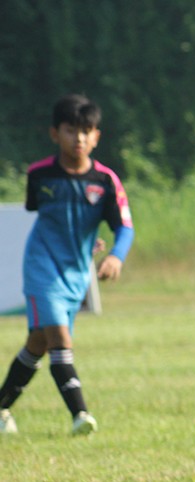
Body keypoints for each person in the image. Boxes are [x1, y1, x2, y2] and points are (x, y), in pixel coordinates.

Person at [0, 94, 134, 437]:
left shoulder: (105, 181)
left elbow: (125, 227)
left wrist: (114, 254)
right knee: (59, 337)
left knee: (38, 343)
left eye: (86, 131)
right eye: (71, 130)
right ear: (54, 133)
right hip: (41, 267)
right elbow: (41, 213)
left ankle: (1, 408)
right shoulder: (40, 175)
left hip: (77, 272)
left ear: (97, 137)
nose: (79, 138)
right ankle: (80, 416)